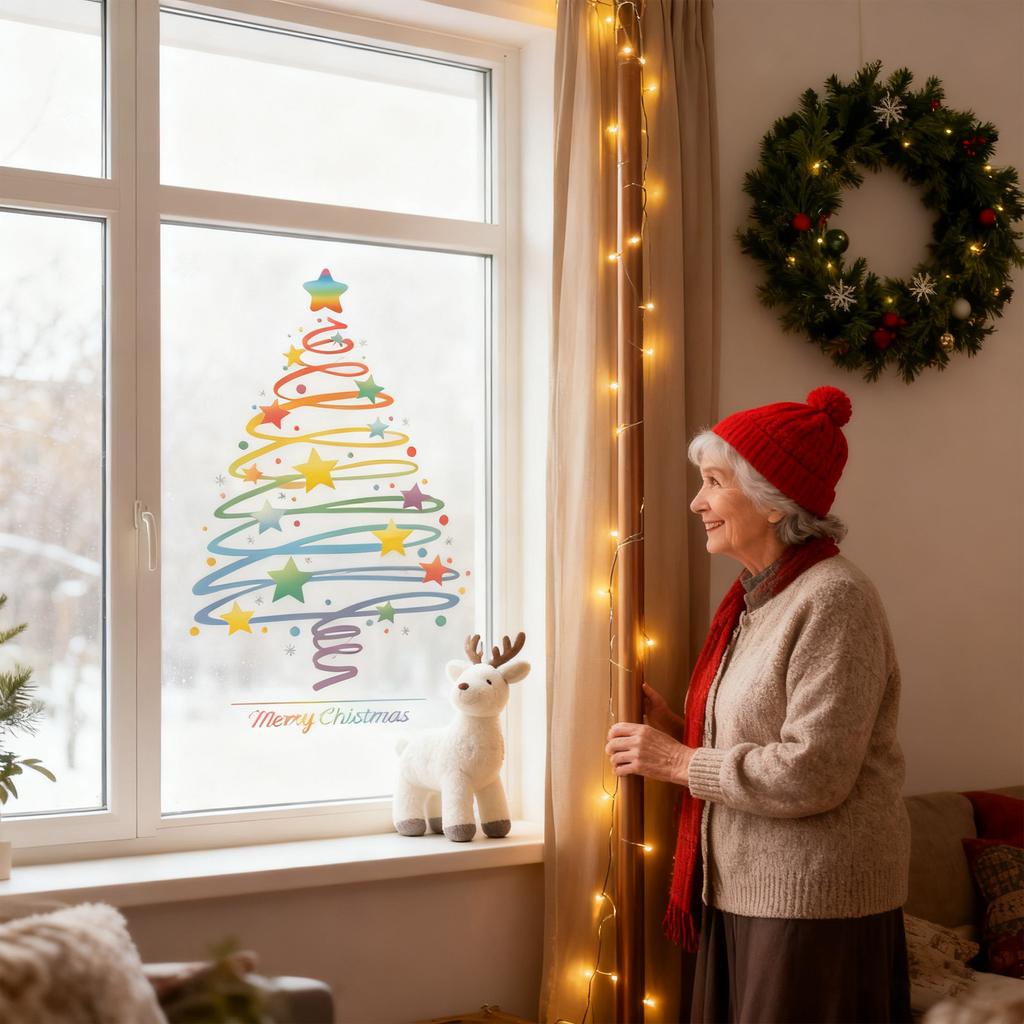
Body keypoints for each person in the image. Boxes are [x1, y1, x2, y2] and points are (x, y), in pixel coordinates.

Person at [605, 385, 912, 1023]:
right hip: (747, 893)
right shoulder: (760, 600)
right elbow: (763, 733)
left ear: (773, 502)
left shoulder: (834, 599)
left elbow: (813, 773)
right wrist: (676, 731)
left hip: (814, 907)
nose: (697, 502)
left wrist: (679, 763)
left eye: (714, 483)